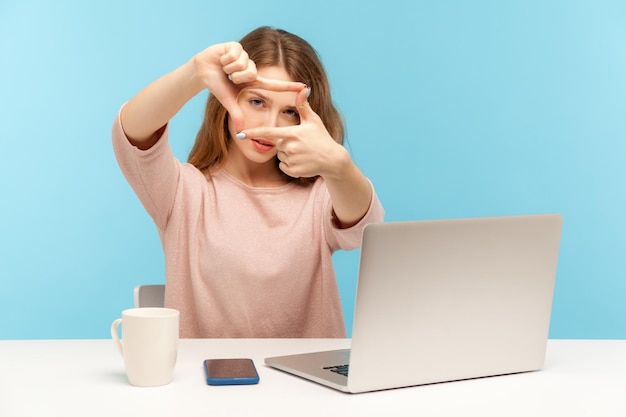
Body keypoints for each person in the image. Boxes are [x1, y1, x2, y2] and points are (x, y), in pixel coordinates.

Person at [112, 26, 384, 338]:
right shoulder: (183, 192)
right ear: (227, 100)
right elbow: (130, 134)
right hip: (206, 383)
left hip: (304, 384)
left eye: (289, 112)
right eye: (257, 102)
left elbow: (365, 230)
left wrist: (339, 165)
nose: (270, 126)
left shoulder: (321, 195)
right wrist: (195, 73)